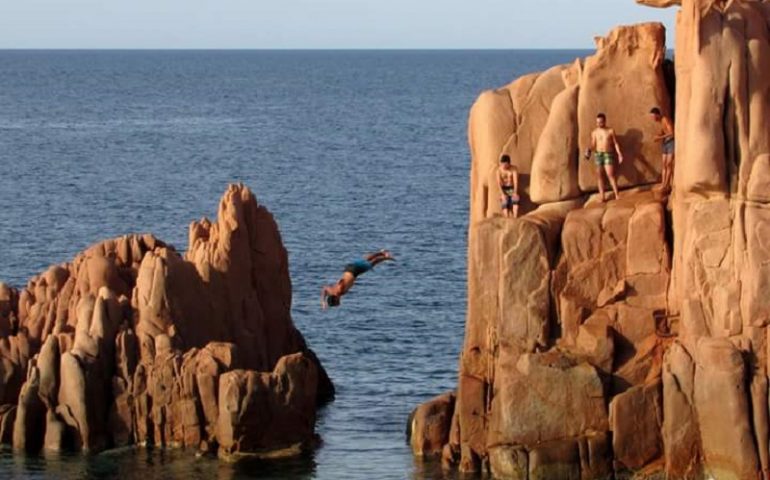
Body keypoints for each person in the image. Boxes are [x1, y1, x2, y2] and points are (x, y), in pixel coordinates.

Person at [321, 250, 395, 308]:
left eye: (338, 302)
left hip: (353, 272)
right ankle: (381, 253)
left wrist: (343, 282)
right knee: (365, 259)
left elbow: (341, 282)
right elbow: (324, 288)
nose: (340, 301)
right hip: (348, 270)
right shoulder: (330, 291)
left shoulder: (339, 292)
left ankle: (386, 257)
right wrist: (323, 302)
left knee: (371, 264)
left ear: (335, 299)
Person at [585, 113, 624, 201]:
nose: (599, 124)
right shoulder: (594, 132)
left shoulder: (610, 131)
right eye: (597, 122)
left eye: (601, 122)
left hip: (607, 153)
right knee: (599, 175)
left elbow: (615, 143)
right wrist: (589, 149)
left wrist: (619, 154)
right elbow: (593, 144)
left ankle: (617, 194)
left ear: (605, 121)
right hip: (598, 154)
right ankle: (602, 196)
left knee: (610, 174)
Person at [650, 107, 674, 191]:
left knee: (668, 164)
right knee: (664, 164)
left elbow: (671, 132)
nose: (653, 119)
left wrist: (660, 137)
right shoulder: (660, 122)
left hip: (671, 142)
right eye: (652, 117)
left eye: (654, 117)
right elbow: (664, 131)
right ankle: (663, 183)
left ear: (658, 114)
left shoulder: (665, 119)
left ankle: (666, 184)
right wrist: (658, 136)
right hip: (665, 143)